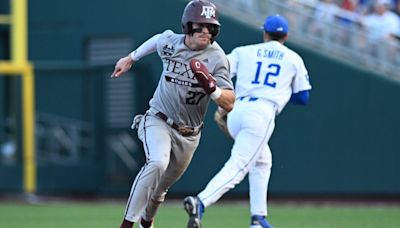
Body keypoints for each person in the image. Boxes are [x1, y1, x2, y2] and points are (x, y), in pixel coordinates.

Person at [111, 1, 235, 228]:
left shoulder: (217, 58)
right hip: (159, 118)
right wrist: (131, 58)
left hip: (189, 135)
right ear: (188, 25)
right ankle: (127, 224)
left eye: (211, 27)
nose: (206, 31)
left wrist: (213, 89)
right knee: (157, 162)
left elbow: (230, 102)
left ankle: (146, 221)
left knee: (159, 191)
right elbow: (158, 39)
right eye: (201, 25)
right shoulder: (171, 42)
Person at [184, 14, 312, 228]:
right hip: (262, 113)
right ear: (286, 36)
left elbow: (217, 71)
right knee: (240, 164)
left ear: (265, 33)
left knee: (262, 161)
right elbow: (302, 98)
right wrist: (278, 90)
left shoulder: (245, 51)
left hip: (236, 109)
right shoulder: (293, 58)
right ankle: (201, 202)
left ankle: (258, 218)